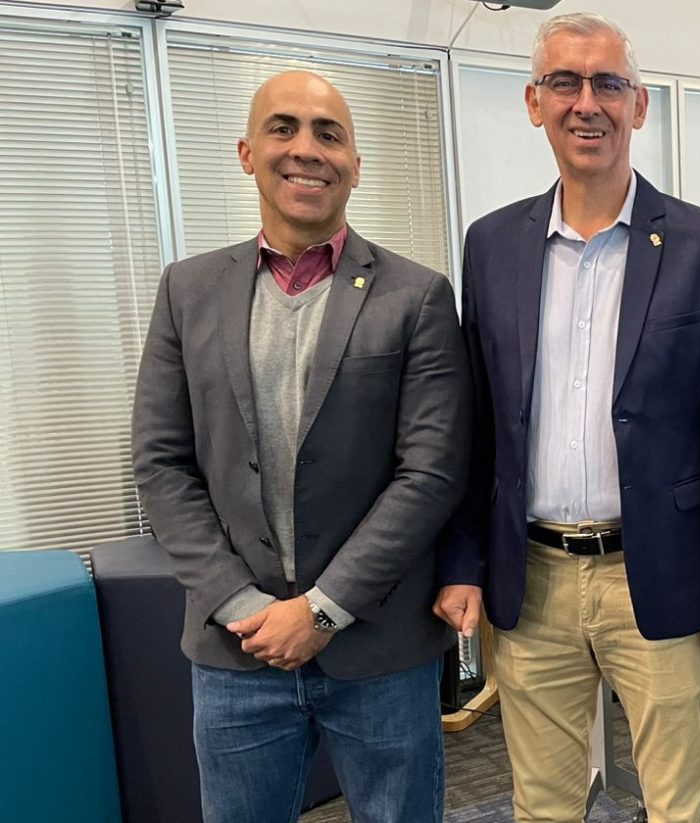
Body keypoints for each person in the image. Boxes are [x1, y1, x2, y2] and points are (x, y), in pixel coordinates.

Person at [433, 12, 700, 823]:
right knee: (543, 803)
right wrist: (463, 560)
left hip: (659, 568)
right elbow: (478, 427)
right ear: (533, 102)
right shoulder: (490, 244)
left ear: (638, 105)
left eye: (608, 84)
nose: (588, 103)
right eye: (565, 83)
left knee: (680, 801)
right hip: (531, 572)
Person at [132, 70, 470, 823]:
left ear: (355, 164)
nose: (306, 149)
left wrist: (321, 610)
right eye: (283, 128)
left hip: (378, 647)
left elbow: (431, 472)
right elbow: (161, 463)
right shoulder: (187, 291)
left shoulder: (416, 296)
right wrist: (241, 604)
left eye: (329, 134)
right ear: (247, 153)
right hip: (236, 649)